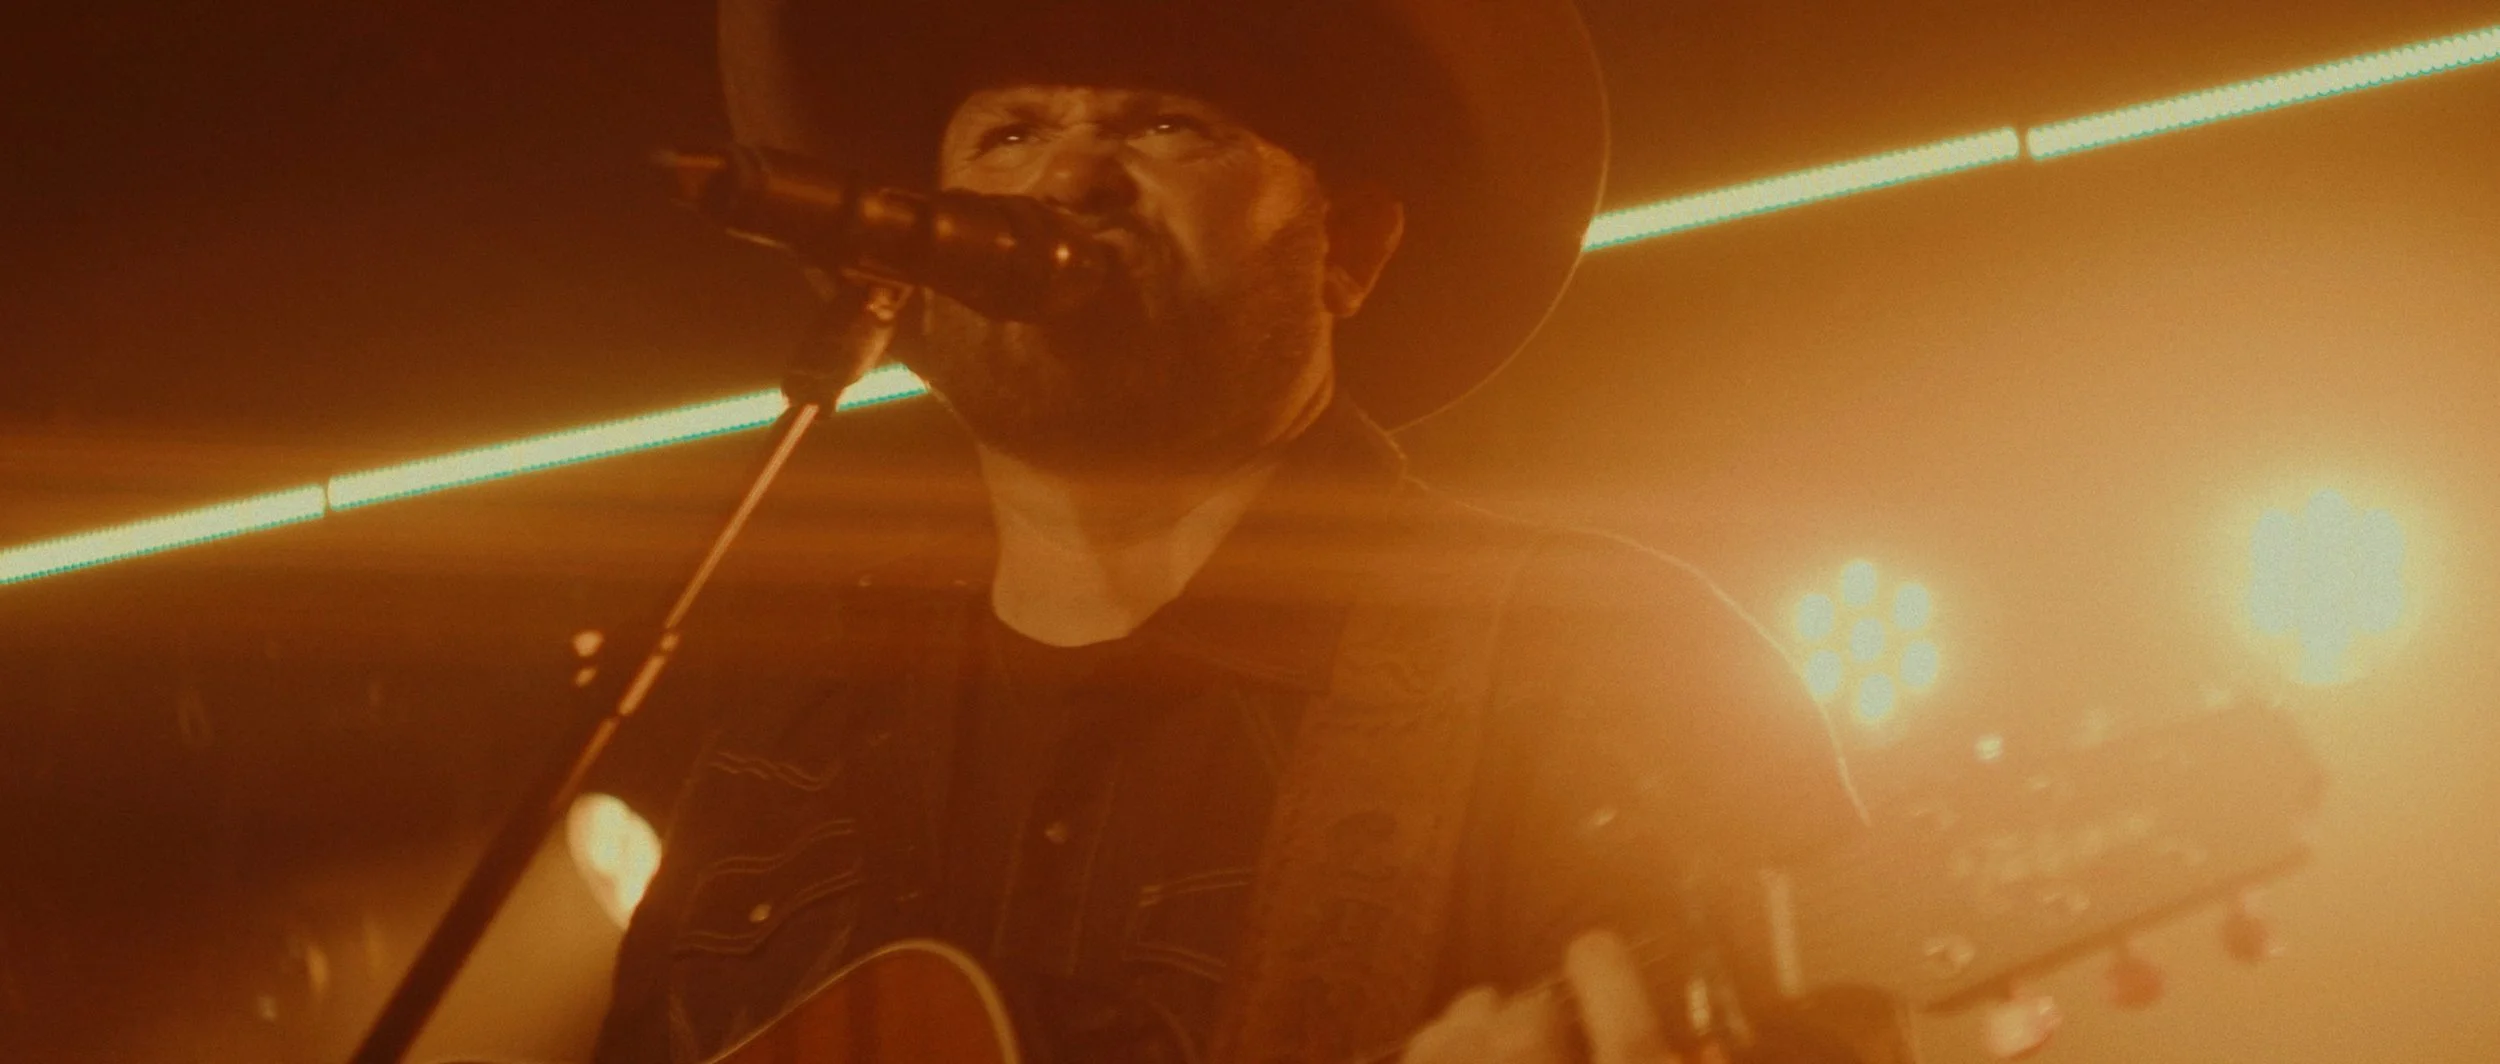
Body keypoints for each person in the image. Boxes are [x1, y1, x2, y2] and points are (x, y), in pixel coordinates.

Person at [594, 1, 1875, 1062]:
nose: (1067, 178)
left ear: (1349, 252)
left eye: (1166, 122)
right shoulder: (791, 725)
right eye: (1010, 131)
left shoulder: (1598, 654)